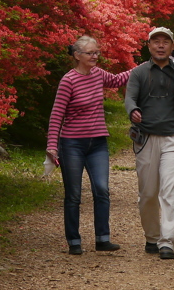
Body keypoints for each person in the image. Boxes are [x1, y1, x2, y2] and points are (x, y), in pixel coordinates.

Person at [47, 36, 134, 255]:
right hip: (72, 144)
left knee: (102, 189)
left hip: (98, 143)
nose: (95, 56)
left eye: (97, 52)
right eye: (90, 53)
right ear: (77, 55)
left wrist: (147, 64)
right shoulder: (68, 80)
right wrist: (52, 145)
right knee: (74, 194)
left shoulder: (98, 74)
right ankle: (74, 241)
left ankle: (102, 238)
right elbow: (57, 114)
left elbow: (117, 80)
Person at [125, 27, 174, 260]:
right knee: (148, 193)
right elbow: (130, 97)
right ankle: (152, 237)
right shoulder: (139, 73)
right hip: (146, 138)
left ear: (172, 46)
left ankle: (167, 241)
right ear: (149, 46)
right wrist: (133, 110)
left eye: (166, 41)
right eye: (156, 41)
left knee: (169, 190)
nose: (161, 45)